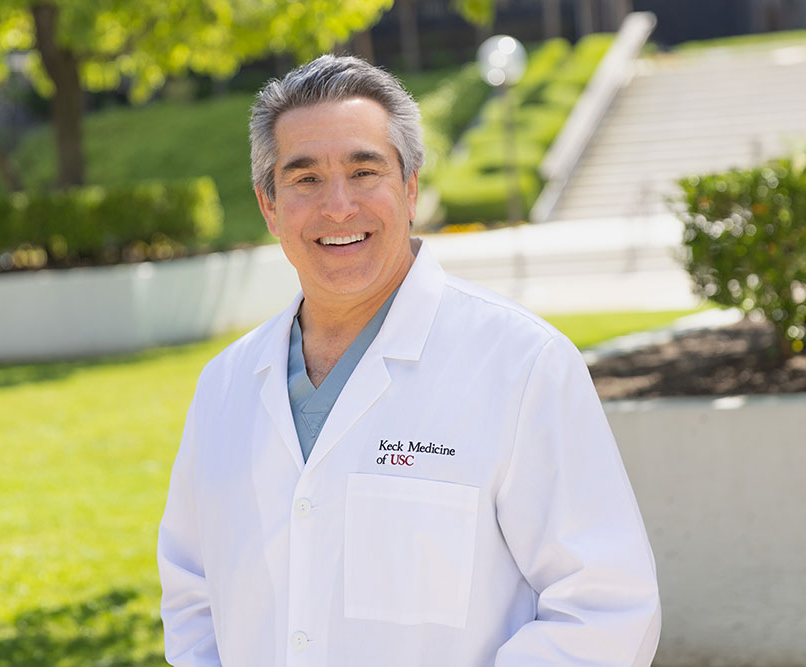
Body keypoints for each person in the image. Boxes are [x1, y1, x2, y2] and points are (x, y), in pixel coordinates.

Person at [157, 54, 661, 666]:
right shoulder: (225, 385)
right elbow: (192, 594)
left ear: (411, 185)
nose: (338, 207)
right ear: (268, 205)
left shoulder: (522, 363)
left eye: (364, 171)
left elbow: (605, 607)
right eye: (305, 179)